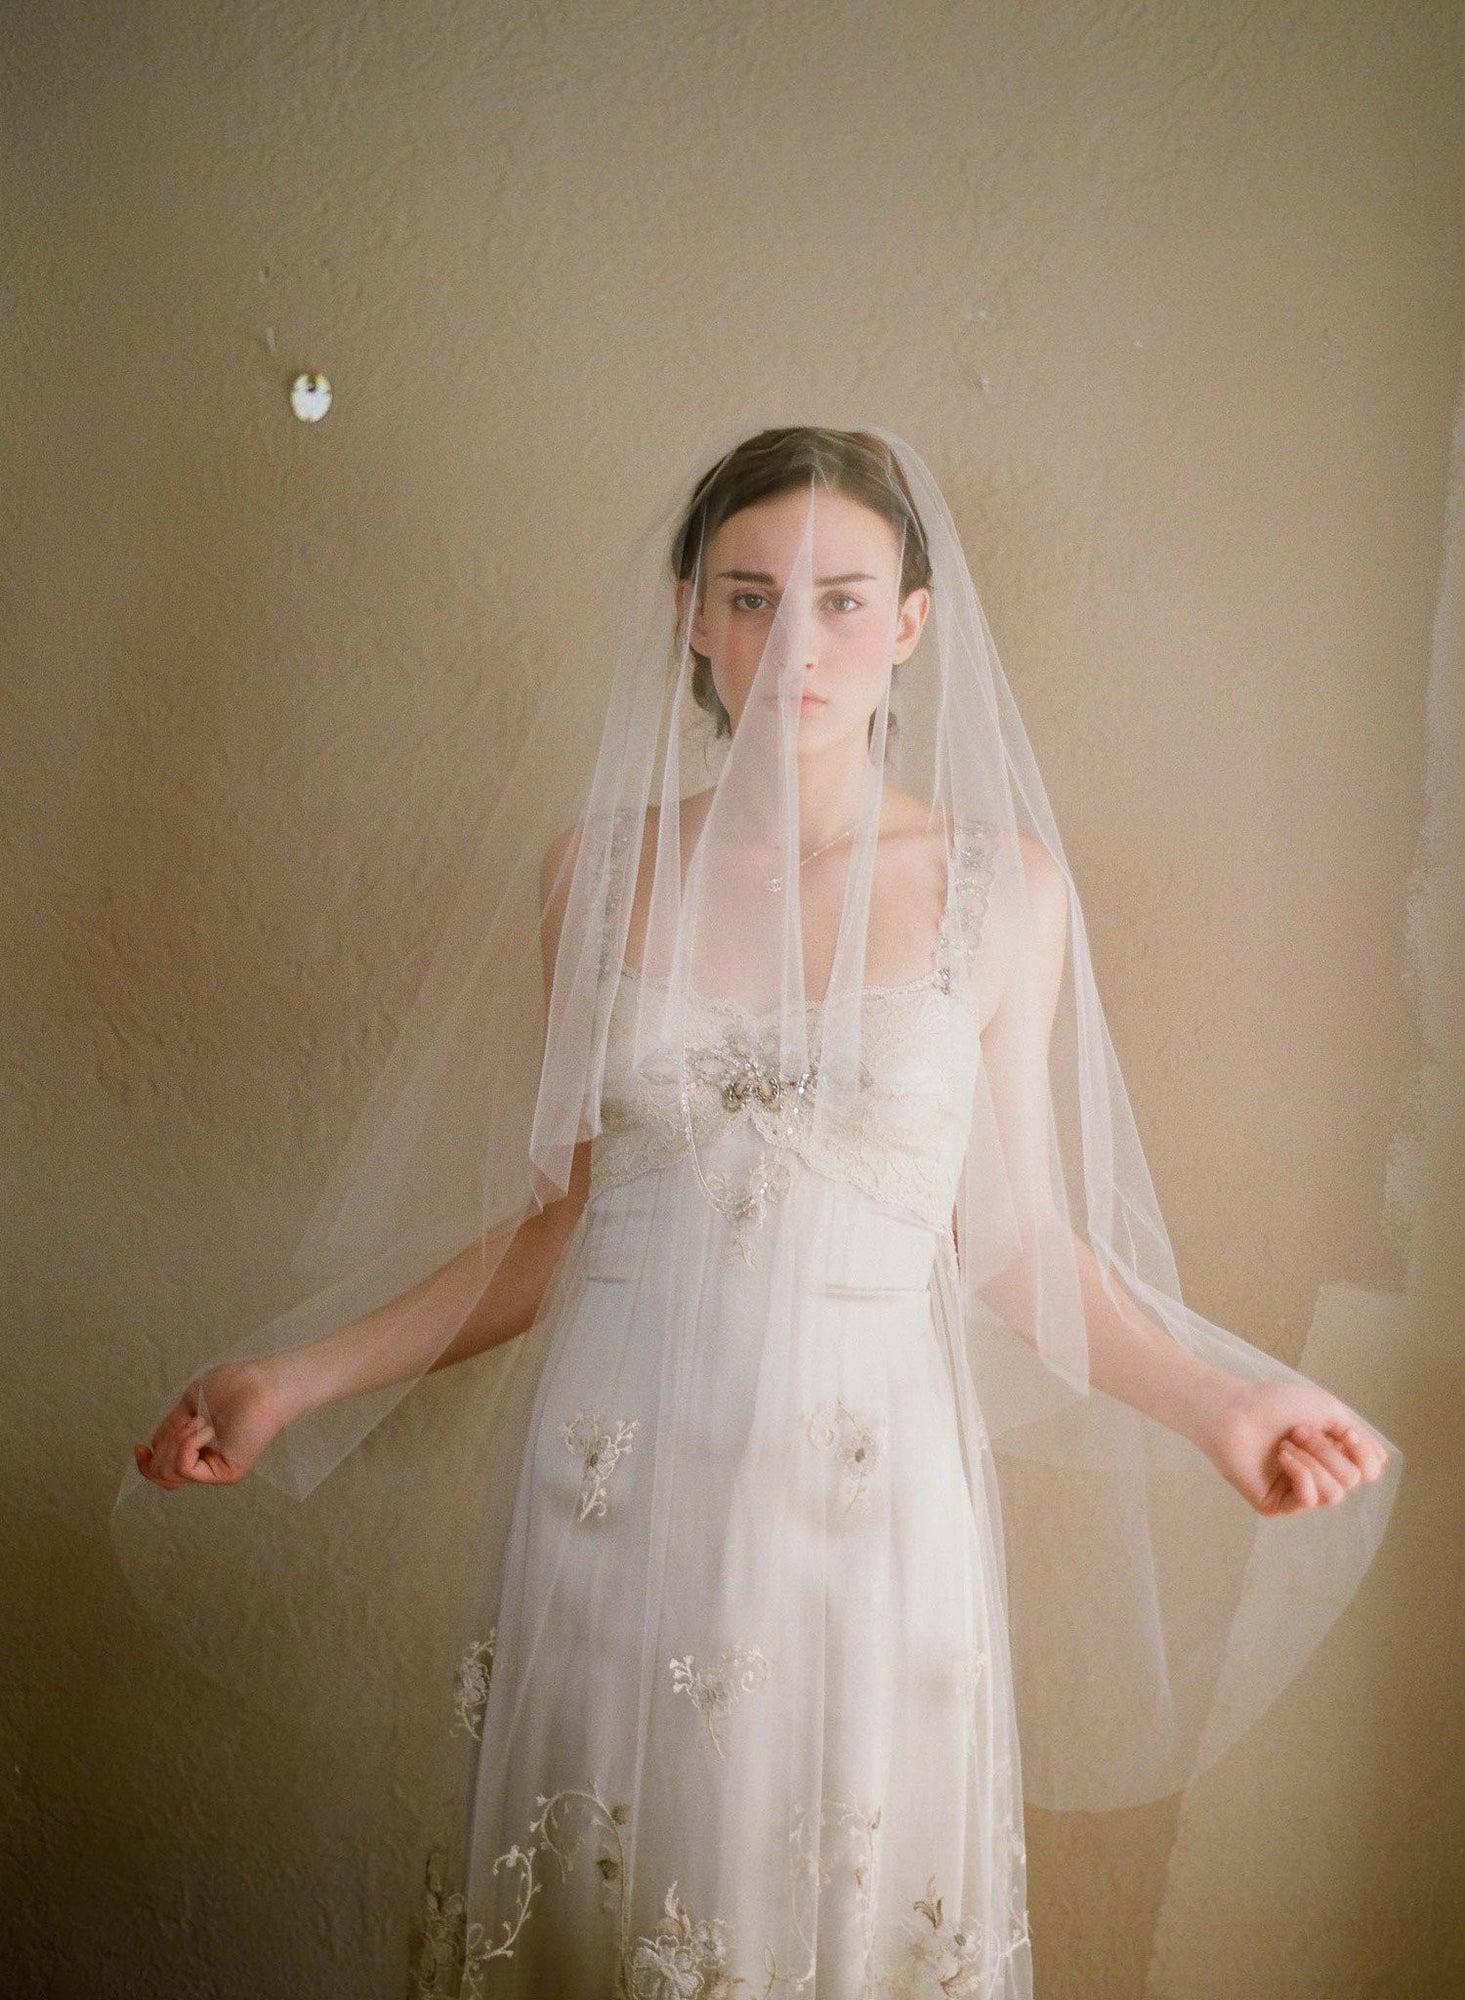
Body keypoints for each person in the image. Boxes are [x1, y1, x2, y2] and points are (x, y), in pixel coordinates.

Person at [126, 426, 1399, 1999]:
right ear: (691, 615)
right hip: (616, 1480)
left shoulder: (1003, 889)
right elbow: (560, 1226)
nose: (796, 643)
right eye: (750, 597)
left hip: (865, 1493)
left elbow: (1013, 1244)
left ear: (909, 624)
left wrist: (1223, 1405)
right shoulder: (591, 875)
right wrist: (290, 1379)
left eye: (843, 600)